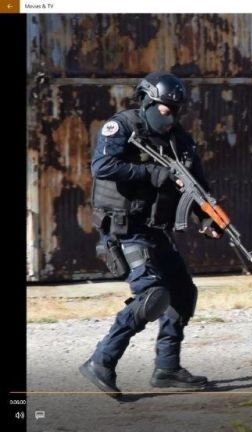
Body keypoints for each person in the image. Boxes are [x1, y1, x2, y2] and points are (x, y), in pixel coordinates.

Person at [81, 72, 220, 397]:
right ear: (146, 102)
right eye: (165, 110)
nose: (170, 117)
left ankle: (167, 367)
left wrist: (206, 218)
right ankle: (101, 362)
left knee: (182, 292)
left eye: (175, 111)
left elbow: (196, 186)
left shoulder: (179, 140)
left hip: (155, 230)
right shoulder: (122, 127)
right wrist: (152, 173)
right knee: (151, 295)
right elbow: (102, 166)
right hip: (125, 229)